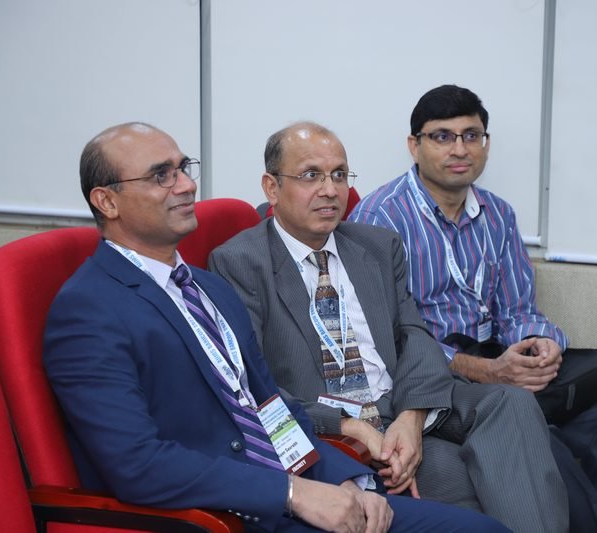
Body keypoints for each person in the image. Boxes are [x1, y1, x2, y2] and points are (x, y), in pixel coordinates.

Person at [42, 122, 507, 533]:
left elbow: (268, 406)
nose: (186, 185)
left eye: (184, 168)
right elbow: (138, 465)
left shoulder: (206, 287)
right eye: (161, 175)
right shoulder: (88, 311)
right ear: (107, 201)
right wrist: (292, 494)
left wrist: (345, 481)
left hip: (287, 490)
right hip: (217, 515)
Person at [210, 121, 570, 533]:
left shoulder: (377, 245)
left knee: (512, 403)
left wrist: (412, 415)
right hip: (335, 424)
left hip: (401, 402)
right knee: (471, 479)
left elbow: (414, 335)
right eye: (311, 175)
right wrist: (348, 425)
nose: (330, 190)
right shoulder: (240, 262)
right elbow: (252, 385)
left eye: (339, 175)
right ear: (272, 187)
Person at [349, 84, 597, 532]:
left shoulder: (498, 215)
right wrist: (486, 372)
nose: (460, 149)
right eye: (442, 137)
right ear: (414, 146)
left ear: (486, 143)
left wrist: (540, 343)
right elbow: (387, 338)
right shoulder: (380, 219)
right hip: (438, 380)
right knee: (542, 446)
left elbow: (518, 310)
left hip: (504, 369)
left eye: (471, 135)